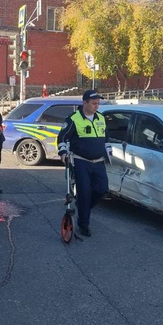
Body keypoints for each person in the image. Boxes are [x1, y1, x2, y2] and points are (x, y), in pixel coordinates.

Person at [56, 90, 109, 237]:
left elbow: (107, 138)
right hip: (81, 161)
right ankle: (83, 225)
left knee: (102, 189)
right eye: (93, 103)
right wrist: (63, 152)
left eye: (98, 103)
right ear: (84, 102)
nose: (96, 106)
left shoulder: (101, 118)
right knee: (84, 192)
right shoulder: (73, 119)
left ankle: (83, 206)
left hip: (98, 161)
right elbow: (62, 138)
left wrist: (109, 153)